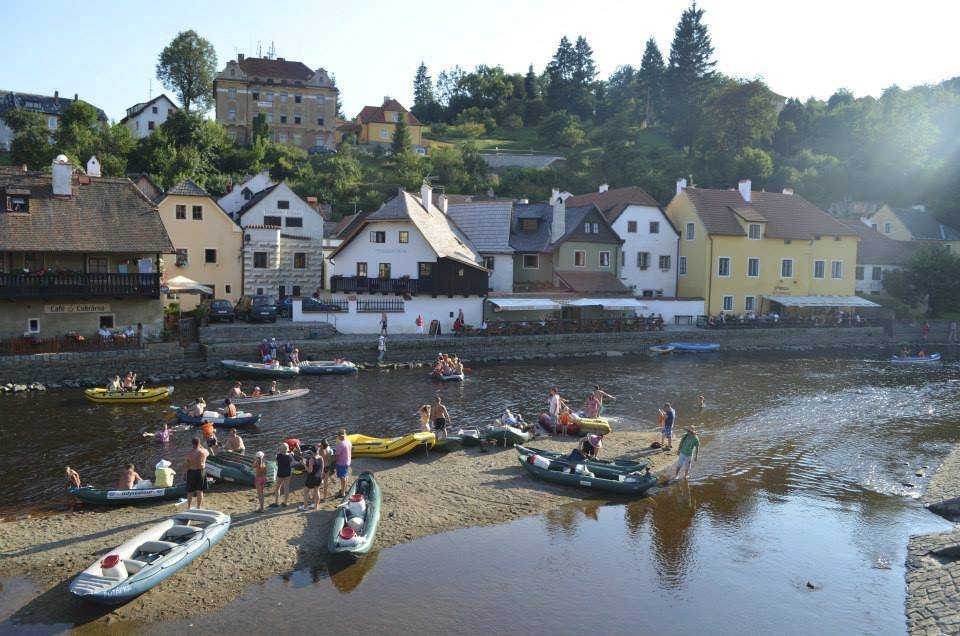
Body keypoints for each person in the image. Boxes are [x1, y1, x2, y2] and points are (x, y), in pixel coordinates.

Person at [184, 438, 209, 509]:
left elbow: (186, 465)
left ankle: (188, 507)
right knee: (200, 491)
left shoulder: (189, 454)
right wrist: (201, 446)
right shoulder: (204, 452)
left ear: (192, 444)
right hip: (201, 472)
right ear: (199, 443)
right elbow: (208, 452)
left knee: (190, 492)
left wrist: (185, 473)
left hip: (192, 472)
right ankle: (198, 507)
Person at [272, 443, 293, 507]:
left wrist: (279, 452)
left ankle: (276, 502)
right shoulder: (290, 456)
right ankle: (285, 502)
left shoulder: (278, 456)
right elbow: (291, 463)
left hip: (280, 473)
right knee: (286, 488)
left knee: (277, 488)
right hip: (288, 473)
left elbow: (276, 463)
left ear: (281, 448)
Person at [334, 430, 352, 497]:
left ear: (339, 436)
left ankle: (343, 493)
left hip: (341, 463)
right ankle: (344, 489)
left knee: (342, 478)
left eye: (338, 436)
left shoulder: (340, 445)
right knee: (345, 476)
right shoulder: (349, 442)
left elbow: (337, 455)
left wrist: (334, 462)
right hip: (348, 461)